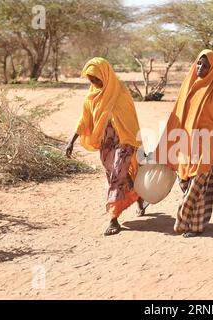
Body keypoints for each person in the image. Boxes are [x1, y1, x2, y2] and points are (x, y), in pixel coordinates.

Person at [155, 49, 213, 238]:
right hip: (186, 144)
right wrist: (167, 144)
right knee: (185, 181)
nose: (200, 68)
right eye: (198, 63)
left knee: (197, 184)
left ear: (212, 68)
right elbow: (177, 114)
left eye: (205, 65)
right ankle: (197, 222)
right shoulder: (188, 85)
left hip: (208, 145)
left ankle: (186, 221)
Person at [65, 57, 147, 236]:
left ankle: (113, 218)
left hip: (125, 141)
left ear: (105, 74)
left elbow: (131, 119)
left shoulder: (120, 92)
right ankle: (138, 195)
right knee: (113, 176)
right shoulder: (91, 96)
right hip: (106, 144)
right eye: (91, 80)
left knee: (118, 175)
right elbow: (84, 119)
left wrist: (137, 143)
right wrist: (71, 141)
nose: (94, 83)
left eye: (97, 78)